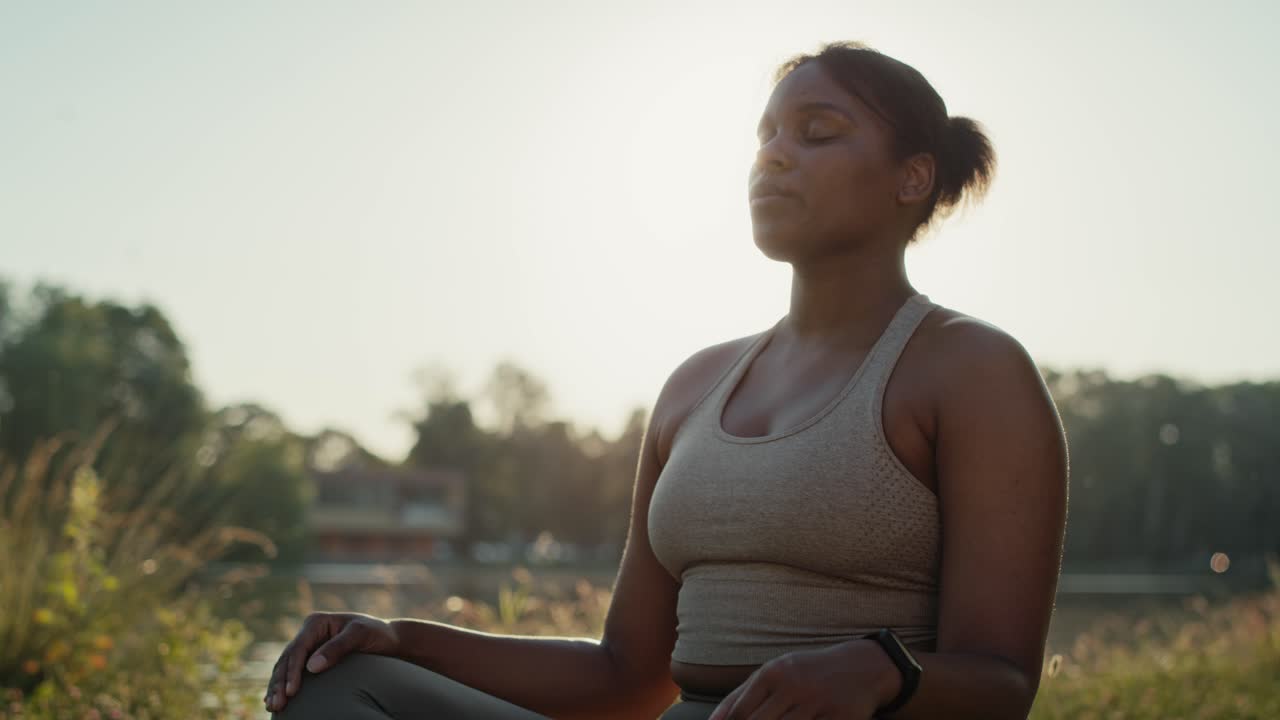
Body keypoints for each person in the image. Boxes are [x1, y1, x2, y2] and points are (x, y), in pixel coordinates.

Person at [263, 40, 1068, 720]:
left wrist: (881, 669)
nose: (775, 154)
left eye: (817, 132)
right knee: (340, 686)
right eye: (766, 136)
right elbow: (627, 676)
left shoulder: (971, 370)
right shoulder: (697, 384)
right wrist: (404, 637)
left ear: (913, 178)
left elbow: (1002, 680)